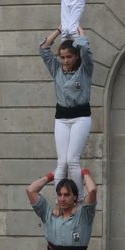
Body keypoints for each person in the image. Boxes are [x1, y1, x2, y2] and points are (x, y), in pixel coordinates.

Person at [39, 28, 94, 195]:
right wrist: (59, 30)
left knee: (72, 160)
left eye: (69, 57)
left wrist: (81, 35)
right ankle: (60, 199)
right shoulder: (56, 69)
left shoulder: (84, 70)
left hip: (80, 117)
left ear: (76, 56)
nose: (65, 60)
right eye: (62, 57)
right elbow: (43, 49)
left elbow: (85, 51)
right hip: (62, 117)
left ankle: (78, 197)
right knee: (62, 162)